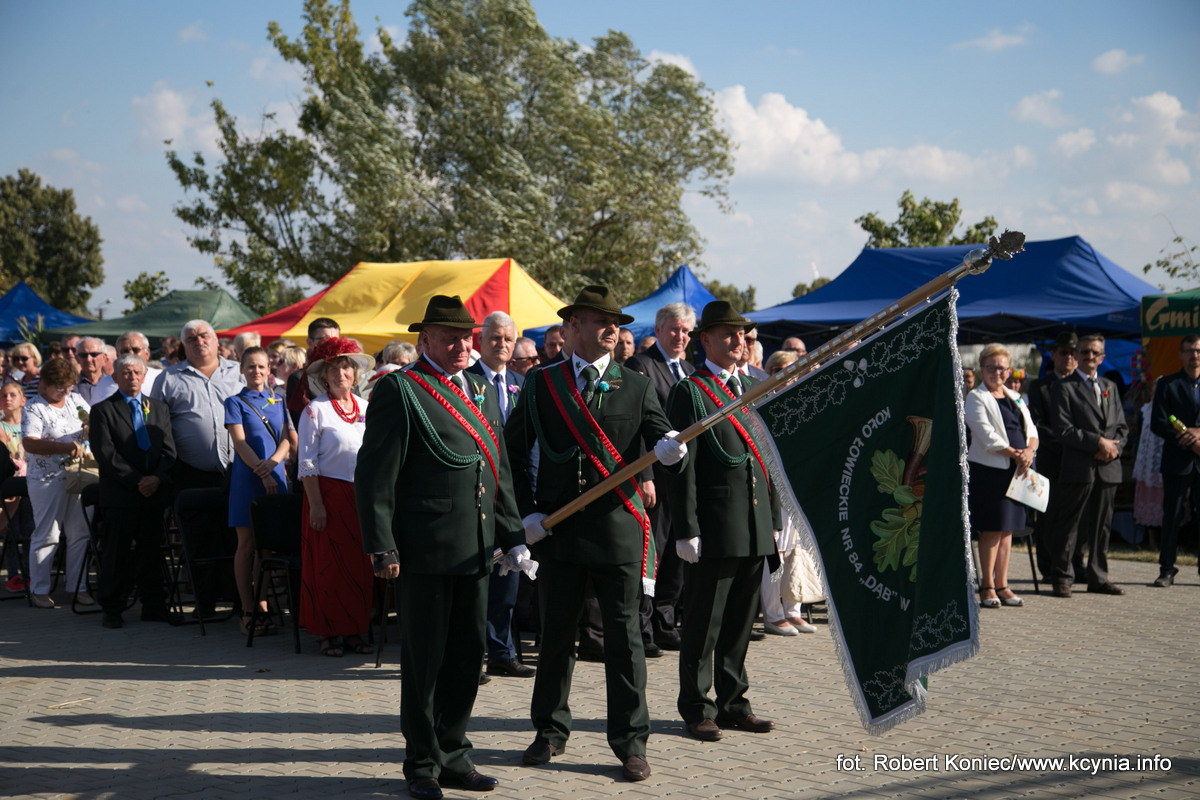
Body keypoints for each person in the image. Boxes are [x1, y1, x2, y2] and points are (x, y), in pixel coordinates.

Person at [507, 286, 686, 783]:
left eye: (616, 322)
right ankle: (549, 731)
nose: (612, 329)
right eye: (600, 320)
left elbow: (661, 438)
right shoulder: (543, 383)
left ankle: (631, 742)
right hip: (559, 531)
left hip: (618, 529)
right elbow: (511, 453)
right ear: (573, 327)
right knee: (555, 638)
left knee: (625, 641)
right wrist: (525, 513)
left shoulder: (636, 384)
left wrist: (672, 452)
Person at [357, 296, 528, 799]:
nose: (460, 345)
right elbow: (375, 474)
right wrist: (381, 545)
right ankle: (422, 763)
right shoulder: (401, 390)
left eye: (465, 337)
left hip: (476, 548)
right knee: (425, 661)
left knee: (467, 657)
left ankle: (454, 753)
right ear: (424, 339)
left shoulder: (480, 388)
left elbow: (497, 466)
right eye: (449, 337)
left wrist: (513, 535)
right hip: (425, 547)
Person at [666, 300, 780, 742]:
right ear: (706, 340)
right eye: (728, 333)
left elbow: (765, 457)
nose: (739, 340)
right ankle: (697, 707)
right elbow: (682, 465)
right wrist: (686, 528)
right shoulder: (690, 392)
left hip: (753, 520)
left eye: (742, 333)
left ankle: (733, 703)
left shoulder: (751, 385)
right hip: (714, 524)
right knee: (703, 624)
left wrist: (771, 514)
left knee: (740, 623)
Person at [623, 302, 697, 653]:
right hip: (656, 479)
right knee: (651, 553)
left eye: (686, 331)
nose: (680, 336)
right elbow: (637, 425)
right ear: (658, 330)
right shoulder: (641, 365)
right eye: (674, 329)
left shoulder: (690, 370)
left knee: (675, 557)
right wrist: (645, 474)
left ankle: (666, 623)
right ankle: (643, 628)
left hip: (684, 481)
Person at [297, 338, 375, 657]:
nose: (341, 374)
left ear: (355, 374)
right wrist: (316, 505)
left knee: (358, 566)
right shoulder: (315, 410)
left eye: (346, 368)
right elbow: (307, 462)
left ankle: (354, 631)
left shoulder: (366, 408)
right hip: (327, 496)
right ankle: (327, 633)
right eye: (334, 369)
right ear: (324, 377)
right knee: (328, 567)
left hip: (360, 498)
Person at [467, 311, 534, 679]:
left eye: (508, 339)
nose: (502, 345)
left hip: (513, 497)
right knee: (479, 580)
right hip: (477, 496)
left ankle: (501, 651)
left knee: (508, 578)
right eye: (495, 338)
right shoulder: (467, 381)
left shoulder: (521, 383)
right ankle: (471, 655)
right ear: (480, 340)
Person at [90, 354, 179, 628]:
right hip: (122, 494)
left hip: (154, 493)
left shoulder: (159, 408)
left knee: (151, 551)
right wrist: (138, 480)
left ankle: (154, 605)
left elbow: (169, 451)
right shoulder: (103, 410)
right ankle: (112, 607)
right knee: (116, 552)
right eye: (126, 373)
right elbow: (106, 454)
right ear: (115, 377)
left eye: (137, 372)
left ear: (144, 376)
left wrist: (156, 479)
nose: (132, 377)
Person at [1049, 334, 1128, 598]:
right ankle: (1062, 577)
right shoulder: (1063, 387)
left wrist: (1114, 449)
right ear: (1075, 355)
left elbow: (1121, 427)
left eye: (1095, 353)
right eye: (1084, 352)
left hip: (1108, 468)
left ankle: (1098, 577)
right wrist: (1098, 443)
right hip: (1079, 467)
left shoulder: (1109, 386)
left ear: (1102, 358)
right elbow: (1063, 430)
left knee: (1102, 526)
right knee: (1070, 525)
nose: (1089, 356)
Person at [964, 344, 1038, 609]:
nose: (997, 372)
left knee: (1008, 530)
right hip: (991, 472)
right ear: (982, 369)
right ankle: (987, 587)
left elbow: (1031, 430)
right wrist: (1017, 454)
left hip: (1017, 471)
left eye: (1002, 368)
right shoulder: (976, 397)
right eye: (992, 367)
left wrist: (1029, 451)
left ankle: (1003, 585)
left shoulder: (1015, 396)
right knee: (992, 529)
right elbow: (987, 437)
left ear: (1010, 371)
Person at [225, 346, 292, 636]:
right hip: (248, 477)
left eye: (261, 366)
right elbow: (239, 442)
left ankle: (263, 604)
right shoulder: (234, 402)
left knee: (267, 545)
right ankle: (247, 608)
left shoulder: (280, 400)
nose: (257, 371)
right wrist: (262, 470)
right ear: (242, 369)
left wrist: (273, 464)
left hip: (275, 472)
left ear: (269, 369)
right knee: (246, 545)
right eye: (251, 366)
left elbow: (287, 438)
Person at [21, 357, 92, 608]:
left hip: (81, 473)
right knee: (48, 534)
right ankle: (39, 590)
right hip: (46, 479)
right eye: (60, 387)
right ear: (44, 383)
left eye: (69, 386)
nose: (66, 391)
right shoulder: (34, 407)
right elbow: (29, 443)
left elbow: (90, 423)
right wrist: (65, 447)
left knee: (80, 533)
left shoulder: (76, 400)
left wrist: (92, 429)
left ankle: (78, 588)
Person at [759, 350, 817, 635]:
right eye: (778, 370)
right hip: (774, 489)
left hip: (798, 487)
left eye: (791, 370)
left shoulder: (803, 401)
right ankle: (773, 614)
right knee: (776, 554)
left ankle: (793, 609)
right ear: (769, 373)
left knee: (798, 551)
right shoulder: (762, 404)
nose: (785, 376)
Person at [152, 320, 243, 490]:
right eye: (192, 339)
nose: (199, 342)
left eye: (204, 336)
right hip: (190, 475)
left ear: (216, 341)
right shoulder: (167, 379)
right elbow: (155, 427)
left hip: (243, 469)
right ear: (184, 346)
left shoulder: (241, 372)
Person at [1026, 332, 1079, 582]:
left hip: (1080, 463)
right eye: (1063, 353)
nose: (1068, 357)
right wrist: (1069, 444)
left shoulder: (1084, 385)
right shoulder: (1040, 386)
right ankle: (1048, 567)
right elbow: (1037, 424)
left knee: (1077, 518)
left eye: (1072, 353)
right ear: (1053, 355)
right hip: (1052, 460)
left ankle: (1075, 565)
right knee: (1048, 517)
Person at [1149, 333, 1200, 587]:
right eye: (1189, 351)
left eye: (1198, 350)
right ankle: (1167, 569)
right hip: (1177, 460)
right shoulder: (1167, 384)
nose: (1194, 355)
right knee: (1172, 516)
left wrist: (1199, 433)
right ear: (1180, 354)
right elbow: (1157, 423)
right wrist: (1186, 438)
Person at [1, 381, 30, 592]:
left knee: (30, 528)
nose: (8, 399)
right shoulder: (1, 426)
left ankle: (29, 573)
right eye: (3, 396)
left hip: (30, 482)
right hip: (10, 483)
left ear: (23, 400)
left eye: (12, 395)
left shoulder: (29, 423)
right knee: (12, 529)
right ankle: (13, 575)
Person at [287, 317, 340, 428]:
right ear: (310, 342)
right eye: (325, 340)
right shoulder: (299, 378)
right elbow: (302, 423)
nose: (332, 345)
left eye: (336, 340)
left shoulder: (346, 375)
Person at [93, 332, 164, 400]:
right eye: (125, 351)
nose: (131, 354)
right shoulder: (104, 384)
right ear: (118, 355)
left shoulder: (161, 377)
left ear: (147, 353)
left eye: (136, 350)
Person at [73, 337, 109, 405]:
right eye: (83, 355)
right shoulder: (69, 387)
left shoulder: (114, 385)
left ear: (104, 357)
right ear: (77, 358)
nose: (88, 359)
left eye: (94, 354)